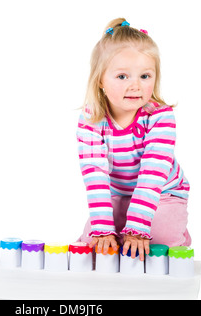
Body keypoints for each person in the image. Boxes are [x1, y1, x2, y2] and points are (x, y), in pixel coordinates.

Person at [77, 18, 191, 262]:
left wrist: (138, 229)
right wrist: (103, 228)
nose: (135, 86)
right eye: (122, 77)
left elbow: (153, 173)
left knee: (156, 241)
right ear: (100, 80)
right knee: (92, 245)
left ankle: (174, 228)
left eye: (145, 76)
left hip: (163, 192)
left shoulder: (160, 116)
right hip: (118, 194)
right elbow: (94, 172)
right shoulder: (91, 117)